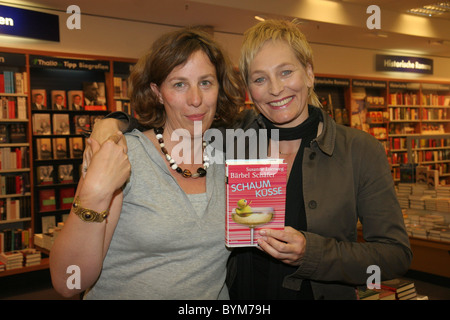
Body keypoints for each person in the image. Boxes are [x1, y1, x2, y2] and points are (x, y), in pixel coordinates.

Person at [87, 20, 412, 300]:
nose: (275, 89)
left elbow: (395, 255)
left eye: (286, 72)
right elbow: (173, 114)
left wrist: (310, 252)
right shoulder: (231, 135)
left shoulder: (359, 150)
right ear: (249, 90)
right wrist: (112, 123)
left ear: (309, 74)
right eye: (259, 79)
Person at [49, 28, 244, 299]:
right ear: (158, 92)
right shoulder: (121, 156)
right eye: (179, 84)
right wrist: (94, 195)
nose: (196, 99)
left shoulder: (232, 159)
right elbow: (69, 282)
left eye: (205, 83)